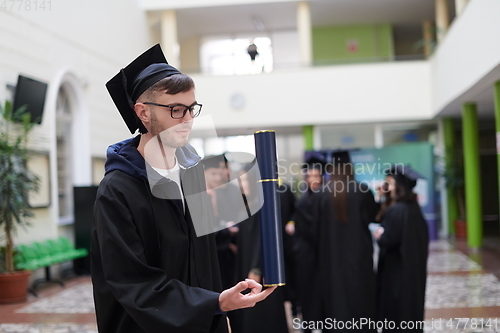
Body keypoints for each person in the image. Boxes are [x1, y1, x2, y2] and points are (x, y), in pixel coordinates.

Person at [91, 44, 275, 333]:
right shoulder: (118, 191)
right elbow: (132, 282)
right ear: (142, 113)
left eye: (191, 109)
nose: (187, 120)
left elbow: (206, 259)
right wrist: (213, 304)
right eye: (176, 110)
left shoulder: (193, 175)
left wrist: (218, 310)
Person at [296, 151, 378, 332]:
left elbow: (312, 231)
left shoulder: (320, 196)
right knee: (360, 304)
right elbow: (373, 216)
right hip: (359, 261)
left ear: (331, 169)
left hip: (330, 262)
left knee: (335, 305)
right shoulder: (362, 191)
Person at [373, 165, 429, 333]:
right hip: (412, 271)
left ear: (400, 185)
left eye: (390, 182)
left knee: (396, 313)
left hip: (396, 272)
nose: (386, 186)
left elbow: (388, 239)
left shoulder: (397, 210)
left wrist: (379, 236)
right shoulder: (413, 209)